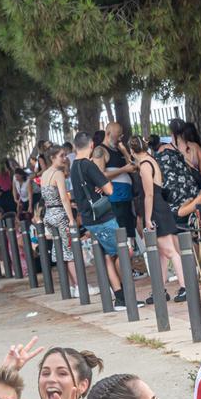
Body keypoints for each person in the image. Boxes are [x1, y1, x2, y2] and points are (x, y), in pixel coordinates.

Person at [70, 132, 131, 309]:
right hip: (103, 217)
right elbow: (110, 189)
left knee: (107, 257)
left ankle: (119, 296)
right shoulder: (89, 166)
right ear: (90, 146)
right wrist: (102, 188)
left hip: (89, 217)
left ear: (75, 146)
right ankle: (125, 295)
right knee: (123, 252)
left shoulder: (74, 167)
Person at [129, 136, 187, 303]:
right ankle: (159, 289)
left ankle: (185, 287)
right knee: (162, 253)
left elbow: (149, 194)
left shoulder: (145, 165)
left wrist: (147, 219)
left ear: (133, 151)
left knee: (169, 251)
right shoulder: (150, 160)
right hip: (159, 207)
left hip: (155, 209)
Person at [39, 146, 79, 290]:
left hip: (49, 215)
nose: (65, 158)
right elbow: (64, 197)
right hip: (60, 215)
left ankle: (70, 286)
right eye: (61, 155)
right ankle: (79, 286)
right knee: (70, 251)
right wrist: (71, 219)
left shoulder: (44, 174)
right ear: (52, 158)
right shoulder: (58, 174)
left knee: (59, 252)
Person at [100, 121, 138, 240]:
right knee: (122, 232)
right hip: (115, 198)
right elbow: (100, 175)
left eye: (122, 135)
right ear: (108, 133)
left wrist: (125, 151)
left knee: (131, 229)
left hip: (127, 196)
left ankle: (133, 251)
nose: (121, 138)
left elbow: (133, 167)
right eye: (118, 135)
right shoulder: (101, 150)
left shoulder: (118, 149)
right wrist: (123, 170)